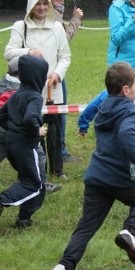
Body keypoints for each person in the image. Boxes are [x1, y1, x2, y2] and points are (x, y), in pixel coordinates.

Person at [49, 62, 135, 270]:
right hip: (117, 176)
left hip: (96, 175)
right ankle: (129, 233)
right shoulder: (130, 110)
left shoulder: (106, 106)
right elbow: (126, 137)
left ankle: (63, 267)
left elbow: (121, 136)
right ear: (126, 90)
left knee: (87, 225)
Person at [4, 0, 72, 180]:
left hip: (53, 87)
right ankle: (38, 168)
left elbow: (65, 56)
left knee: (55, 131)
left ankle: (57, 170)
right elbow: (8, 53)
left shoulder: (57, 27)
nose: (41, 8)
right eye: (37, 4)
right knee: (34, 128)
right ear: (30, 7)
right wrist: (28, 51)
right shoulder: (20, 26)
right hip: (29, 89)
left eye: (44, 4)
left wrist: (57, 74)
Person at [0, 55, 49, 228]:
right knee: (34, 184)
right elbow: (30, 118)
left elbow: (1, 117)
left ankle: (24, 220)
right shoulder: (35, 97)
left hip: (11, 144)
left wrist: (14, 129)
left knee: (29, 179)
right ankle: (3, 201)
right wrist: (37, 131)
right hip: (26, 146)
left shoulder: (16, 94)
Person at [52, 0, 83, 162]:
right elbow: (63, 40)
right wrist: (76, 19)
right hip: (53, 72)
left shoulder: (56, 10)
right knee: (58, 113)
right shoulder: (50, 12)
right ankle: (60, 152)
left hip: (53, 70)